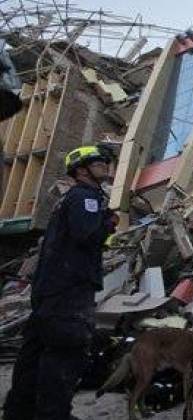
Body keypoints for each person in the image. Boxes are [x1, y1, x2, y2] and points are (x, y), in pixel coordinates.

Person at [3, 145, 116, 420]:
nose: (104, 164)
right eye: (97, 161)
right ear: (81, 169)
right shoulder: (85, 197)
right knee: (64, 356)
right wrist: (107, 223)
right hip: (69, 293)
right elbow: (86, 234)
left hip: (49, 294)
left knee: (33, 358)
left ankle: (19, 413)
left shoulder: (68, 200)